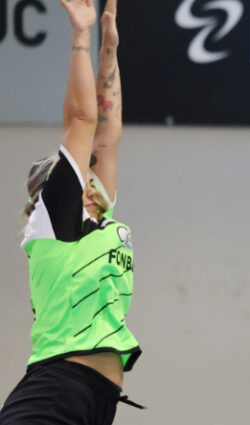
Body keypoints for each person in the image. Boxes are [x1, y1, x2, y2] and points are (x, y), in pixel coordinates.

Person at [0, 0, 143, 423]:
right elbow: (82, 120)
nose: (90, 179)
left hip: (92, 397)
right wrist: (81, 35)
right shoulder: (56, 219)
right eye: (81, 176)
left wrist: (109, 48)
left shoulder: (94, 218)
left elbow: (107, 133)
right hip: (55, 391)